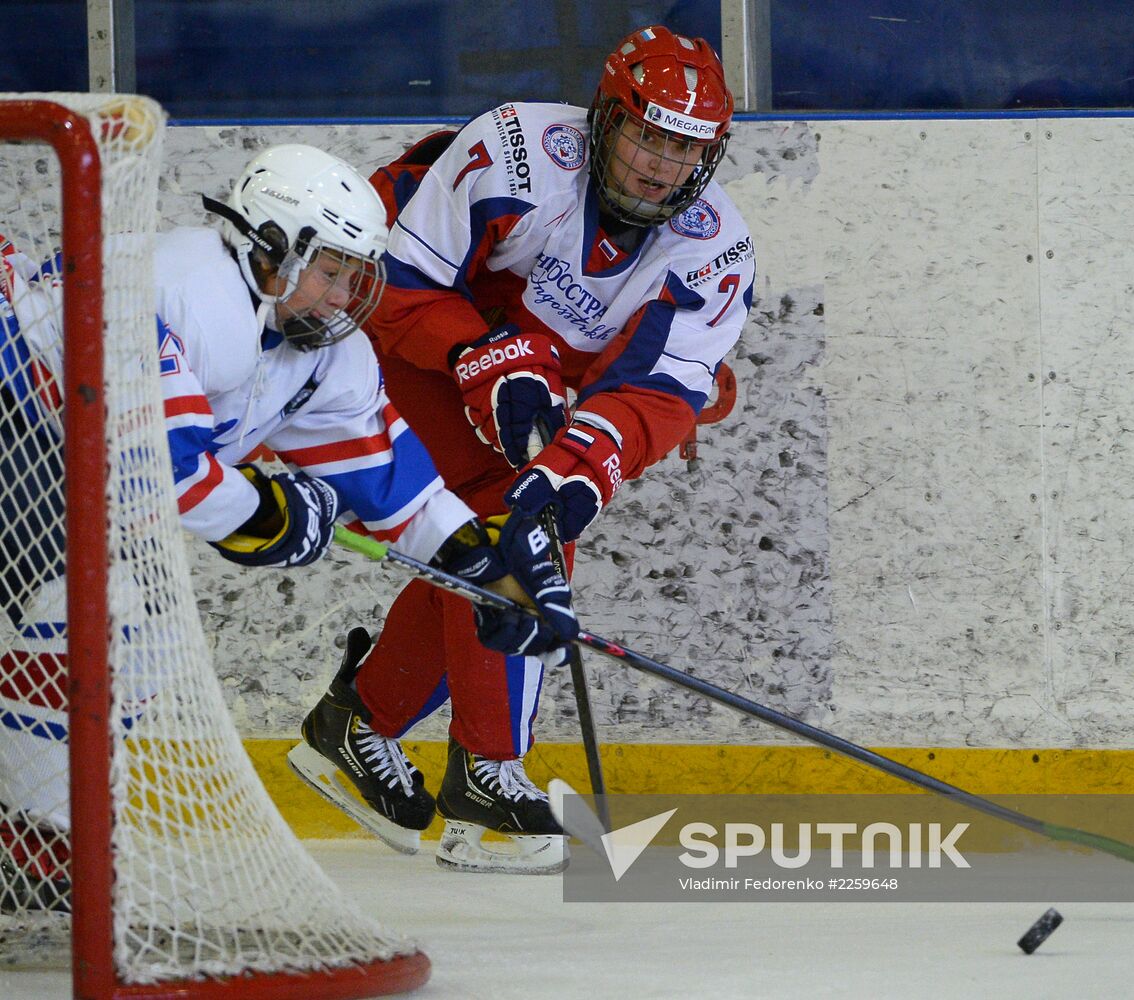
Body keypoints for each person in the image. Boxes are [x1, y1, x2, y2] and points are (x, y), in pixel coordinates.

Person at [0, 143, 577, 909]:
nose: (343, 297)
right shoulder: (172, 287)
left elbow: (386, 482)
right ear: (270, 246)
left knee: (109, 632)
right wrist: (271, 514)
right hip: (19, 428)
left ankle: (31, 844)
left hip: (50, 473)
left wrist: (486, 564)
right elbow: (160, 470)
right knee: (83, 617)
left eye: (354, 276)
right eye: (330, 271)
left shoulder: (311, 353)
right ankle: (33, 841)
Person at [294, 25, 756, 874]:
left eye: (683, 147)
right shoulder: (516, 148)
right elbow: (393, 285)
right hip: (405, 339)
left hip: (529, 365)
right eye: (648, 134)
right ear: (605, 121)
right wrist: (481, 359)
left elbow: (659, 394)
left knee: (519, 527)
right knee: (518, 541)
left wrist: (585, 467)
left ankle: (360, 723)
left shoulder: (716, 247)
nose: (660, 164)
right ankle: (485, 780)